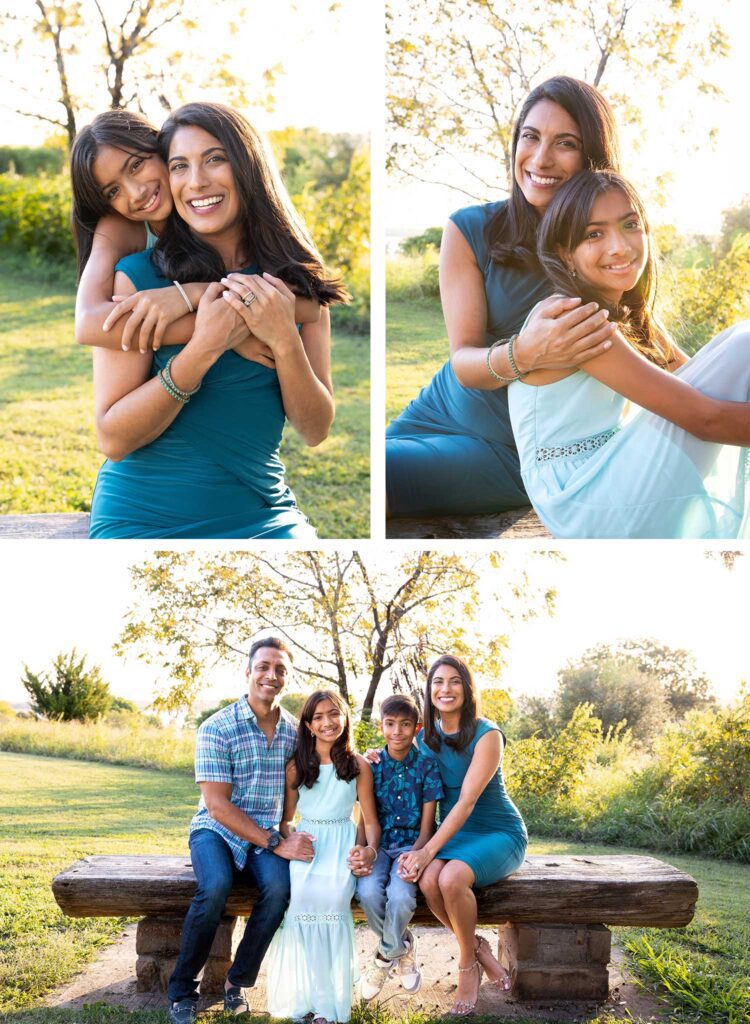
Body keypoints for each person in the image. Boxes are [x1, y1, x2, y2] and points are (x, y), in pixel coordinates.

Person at [75, 102, 345, 538]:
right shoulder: (138, 278)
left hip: (262, 512)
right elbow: (114, 439)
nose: (196, 181)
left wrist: (284, 340)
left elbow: (314, 430)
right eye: (181, 165)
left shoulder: (298, 287)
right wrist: (203, 348)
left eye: (214, 159)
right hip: (144, 515)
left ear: (247, 165)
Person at [386, 76, 621, 520]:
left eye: (565, 143)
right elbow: (464, 362)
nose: (541, 158)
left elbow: (663, 356)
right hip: (437, 411)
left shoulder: (605, 249)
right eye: (530, 137)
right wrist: (527, 350)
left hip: (515, 449)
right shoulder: (470, 228)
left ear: (592, 155)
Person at [505, 168, 750, 538]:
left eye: (630, 225)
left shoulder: (623, 312)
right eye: (594, 234)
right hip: (584, 500)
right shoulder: (573, 319)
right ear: (565, 254)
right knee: (744, 344)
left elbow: (695, 380)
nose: (619, 246)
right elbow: (706, 419)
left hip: (608, 477)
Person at [167, 638, 314, 1024]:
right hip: (215, 830)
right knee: (214, 887)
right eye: (264, 666)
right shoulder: (216, 728)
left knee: (279, 889)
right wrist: (274, 842)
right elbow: (217, 805)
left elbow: (317, 769)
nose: (272, 675)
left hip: (266, 833)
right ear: (248, 672)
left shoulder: (296, 733)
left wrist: (370, 758)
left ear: (286, 677)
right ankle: (182, 990)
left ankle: (237, 982)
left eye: (280, 669)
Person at [399, 656, 527, 1016]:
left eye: (455, 681)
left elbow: (467, 802)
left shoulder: (488, 734)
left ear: (467, 689)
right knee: (427, 882)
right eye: (438, 682)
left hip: (496, 830)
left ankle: (467, 965)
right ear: (429, 691)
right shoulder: (425, 737)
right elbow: (398, 760)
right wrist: (376, 757)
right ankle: (478, 947)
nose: (445, 689)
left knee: (451, 877)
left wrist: (427, 852)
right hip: (453, 832)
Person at [265, 690, 381, 1024]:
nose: (327, 722)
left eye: (334, 714)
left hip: (342, 846)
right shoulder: (296, 766)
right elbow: (286, 820)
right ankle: (308, 1000)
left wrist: (368, 850)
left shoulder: (358, 765)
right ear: (308, 725)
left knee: (332, 903)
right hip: (308, 846)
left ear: (345, 719)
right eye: (318, 717)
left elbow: (369, 820)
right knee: (301, 904)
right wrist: (291, 837)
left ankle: (331, 1005)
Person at [350, 694, 444, 1000]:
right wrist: (362, 848)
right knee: (367, 892)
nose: (397, 731)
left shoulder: (427, 767)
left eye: (405, 725)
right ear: (381, 726)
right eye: (390, 724)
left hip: (413, 846)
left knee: (401, 897)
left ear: (416, 728)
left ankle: (381, 959)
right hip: (379, 846)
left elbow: (428, 827)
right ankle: (401, 948)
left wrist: (416, 855)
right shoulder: (371, 765)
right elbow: (364, 816)